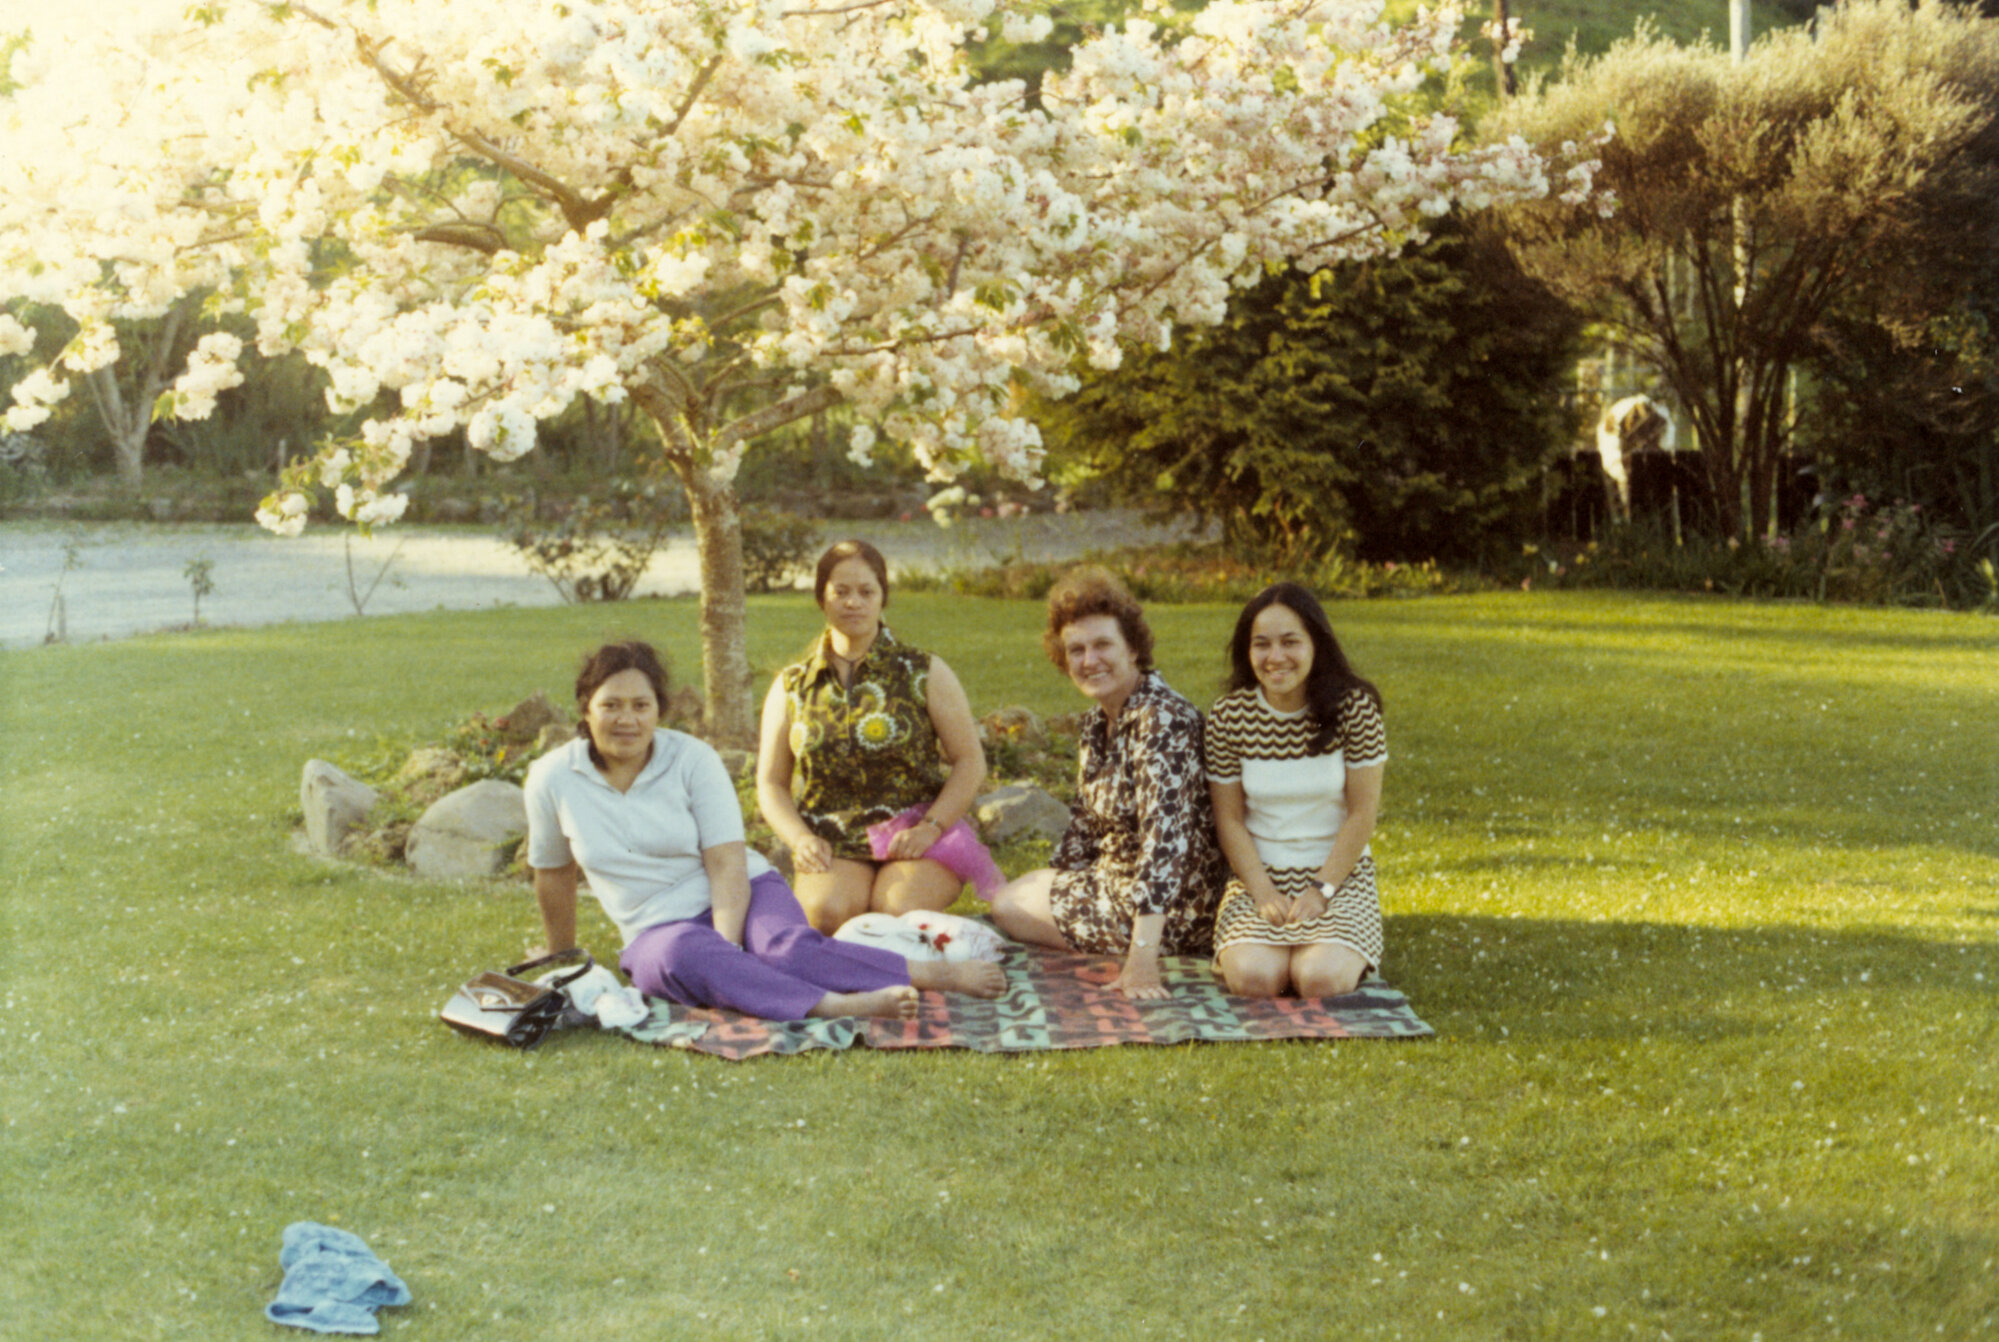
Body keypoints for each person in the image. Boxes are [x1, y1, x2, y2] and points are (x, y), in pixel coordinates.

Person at [524, 641, 1004, 1021]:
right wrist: (561, 955)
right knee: (679, 955)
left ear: (659, 709)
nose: (626, 719)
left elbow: (726, 862)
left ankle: (932, 974)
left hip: (739, 892)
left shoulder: (692, 759)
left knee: (783, 947)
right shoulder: (552, 777)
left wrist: (728, 945)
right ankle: (833, 1005)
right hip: (654, 927)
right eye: (611, 705)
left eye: (640, 705)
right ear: (586, 708)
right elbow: (553, 872)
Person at [989, 568, 1225, 999]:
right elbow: (1083, 826)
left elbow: (1165, 845)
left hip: (1177, 907)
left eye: (1102, 645)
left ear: (1133, 648)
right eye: (1075, 650)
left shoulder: (1161, 720)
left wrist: (1141, 961)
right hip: (1114, 881)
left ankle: (1139, 941)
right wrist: (1055, 881)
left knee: (1007, 906)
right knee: (1017, 896)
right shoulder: (1100, 721)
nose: (1088, 660)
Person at [757, 539, 995, 935]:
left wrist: (931, 827)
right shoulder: (792, 686)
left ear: (883, 597)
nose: (854, 603)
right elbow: (770, 782)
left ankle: (935, 959)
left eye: (866, 592)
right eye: (841, 592)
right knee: (827, 914)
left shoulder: (924, 672)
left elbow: (970, 761)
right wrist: (799, 838)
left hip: (915, 834)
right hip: (832, 838)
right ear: (821, 598)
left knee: (895, 913)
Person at [1204, 583, 1387, 998]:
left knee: (1319, 979)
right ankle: (1276, 950)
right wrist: (1262, 890)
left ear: (1316, 645)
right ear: (1247, 652)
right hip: (1258, 877)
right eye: (1262, 644)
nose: (1276, 657)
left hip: (1339, 877)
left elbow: (1362, 814)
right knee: (1255, 979)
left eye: (1290, 642)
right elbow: (1229, 819)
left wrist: (1321, 890)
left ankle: (1333, 946)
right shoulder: (1229, 716)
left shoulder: (1354, 709)